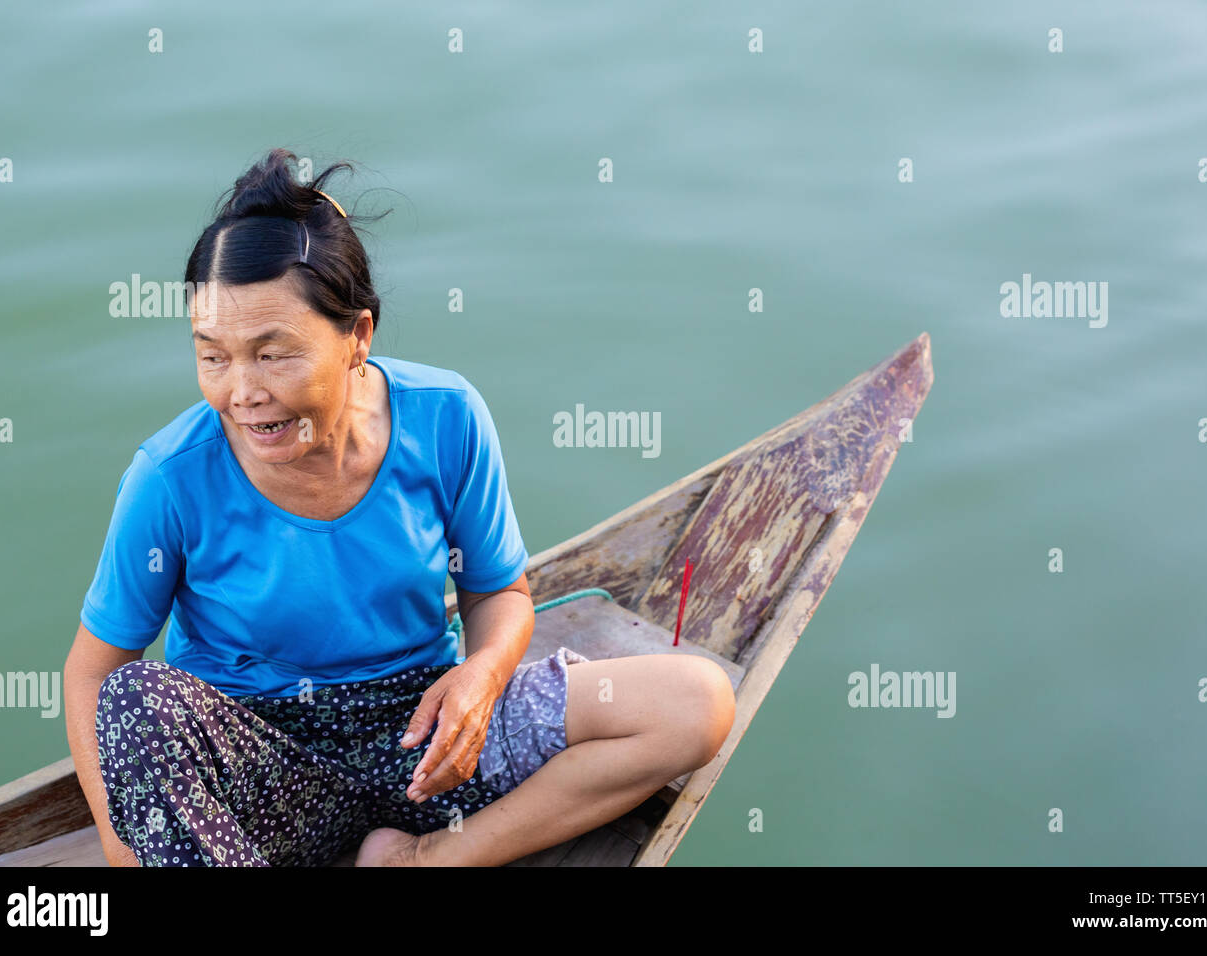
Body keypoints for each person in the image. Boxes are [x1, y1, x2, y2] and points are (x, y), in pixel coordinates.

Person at [62, 148, 735, 867]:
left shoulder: (446, 418)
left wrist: (478, 681)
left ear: (357, 336)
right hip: (265, 775)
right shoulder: (170, 477)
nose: (242, 391)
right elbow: (92, 672)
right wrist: (121, 847)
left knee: (696, 702)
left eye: (273, 353)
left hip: (426, 737)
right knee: (135, 701)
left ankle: (426, 860)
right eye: (212, 356)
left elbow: (499, 594)